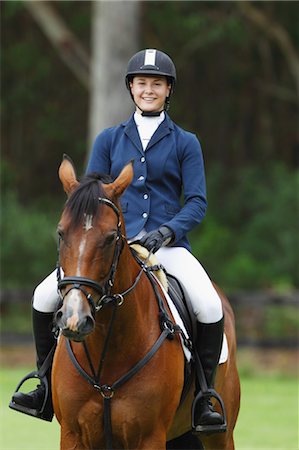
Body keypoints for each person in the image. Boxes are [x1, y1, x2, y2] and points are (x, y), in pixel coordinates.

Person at [10, 49, 225, 435]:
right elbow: (91, 192)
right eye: (141, 83)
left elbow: (196, 202)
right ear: (131, 87)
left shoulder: (185, 142)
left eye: (156, 84)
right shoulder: (110, 138)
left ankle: (205, 398)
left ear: (167, 90)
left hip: (168, 246)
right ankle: (43, 386)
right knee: (43, 296)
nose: (148, 89)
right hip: (108, 246)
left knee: (208, 305)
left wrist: (169, 231)